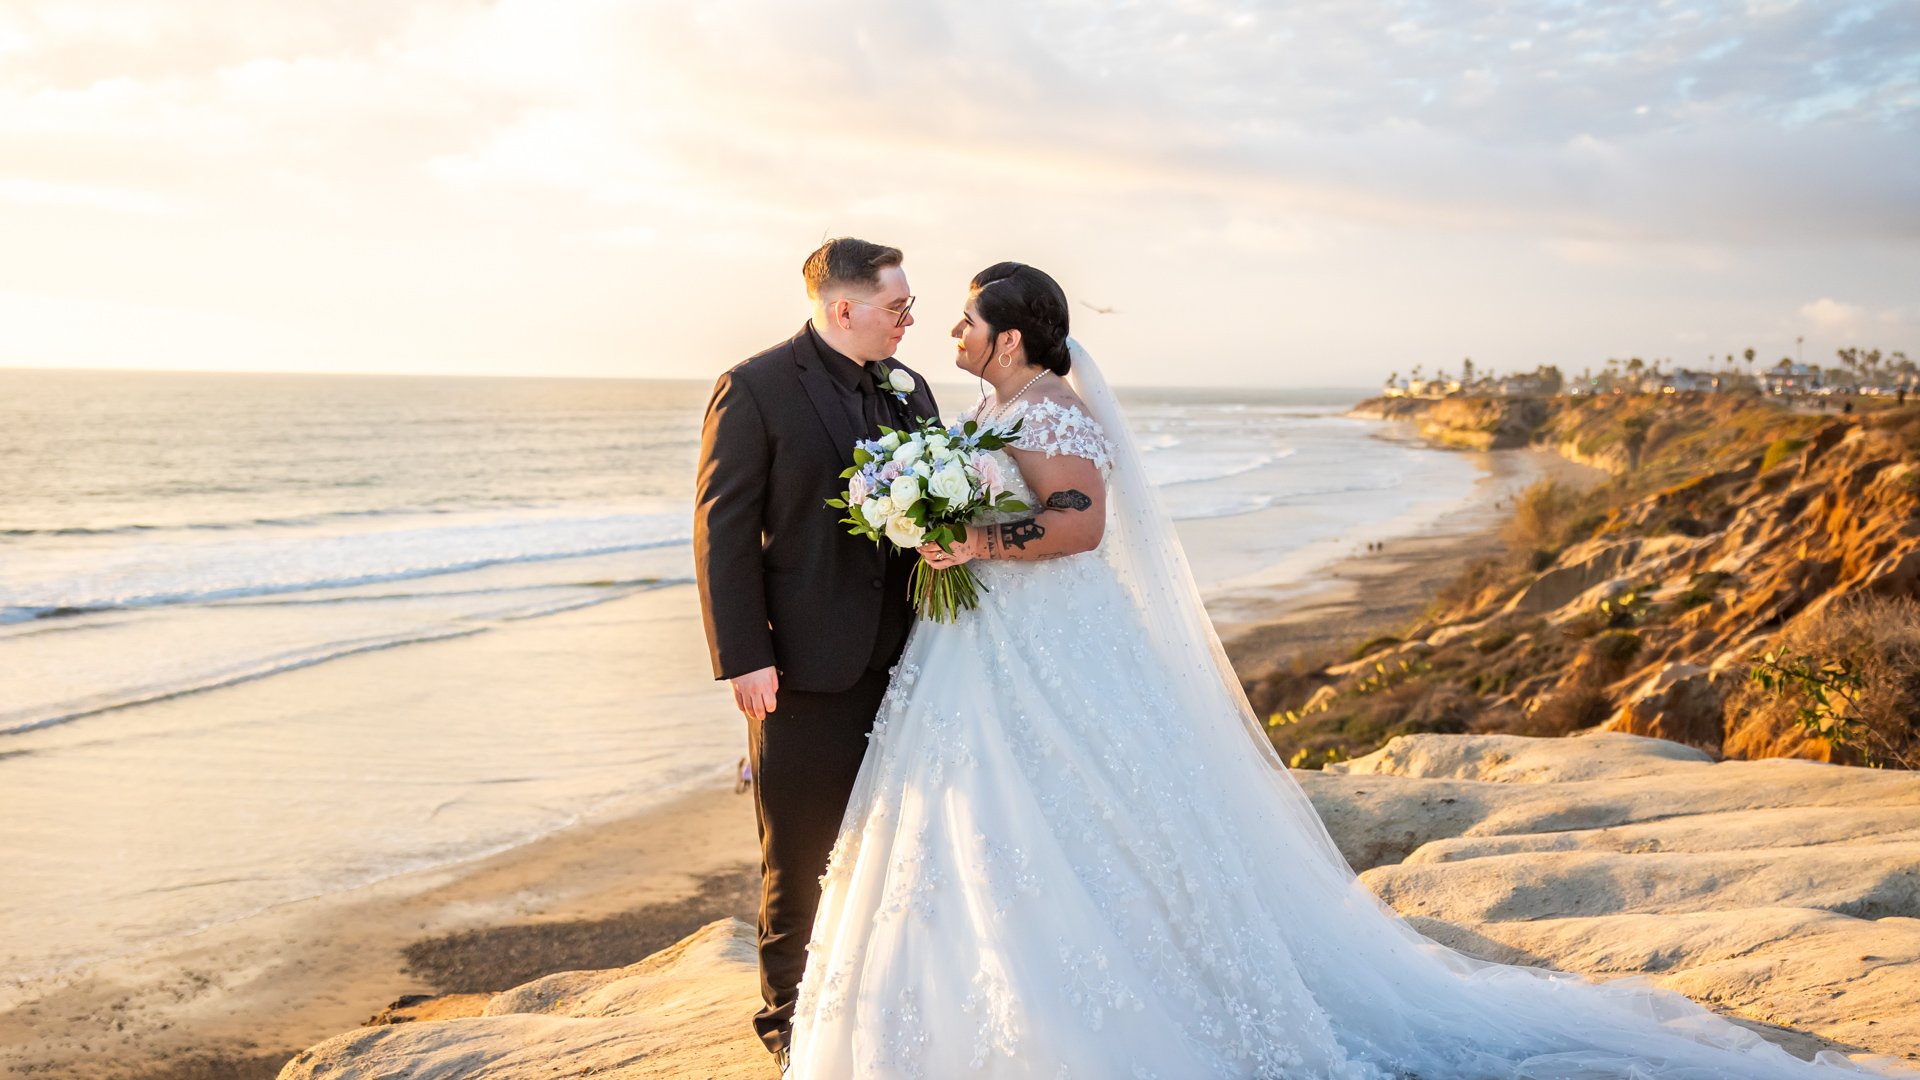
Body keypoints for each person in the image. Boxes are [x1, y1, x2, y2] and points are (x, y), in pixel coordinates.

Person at [785, 262, 1911, 1078]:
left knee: (1084, 813)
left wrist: (974, 540)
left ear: (1016, 335)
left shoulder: (1055, 413)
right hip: (988, 650)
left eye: (969, 322)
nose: (952, 335)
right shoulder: (992, 404)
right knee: (996, 822)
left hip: (1051, 643)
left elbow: (1077, 526)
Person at [692, 237, 940, 1073]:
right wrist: (744, 656)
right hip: (801, 670)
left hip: (912, 664)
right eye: (897, 306)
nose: (911, 320)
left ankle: (877, 1002)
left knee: (901, 849)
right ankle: (788, 1026)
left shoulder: (913, 390)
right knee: (797, 855)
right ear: (844, 309)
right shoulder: (756, 387)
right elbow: (723, 528)